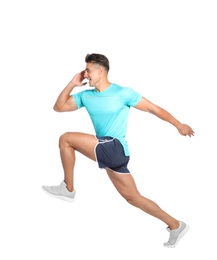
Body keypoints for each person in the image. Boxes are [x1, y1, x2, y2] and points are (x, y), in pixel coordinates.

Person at [42, 53, 195, 247]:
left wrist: (178, 124)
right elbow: (59, 107)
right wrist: (72, 83)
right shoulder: (86, 96)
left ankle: (68, 188)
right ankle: (175, 225)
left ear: (100, 70)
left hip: (114, 147)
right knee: (133, 198)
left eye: (88, 70)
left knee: (66, 139)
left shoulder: (123, 93)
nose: (86, 74)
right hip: (108, 151)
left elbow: (154, 109)